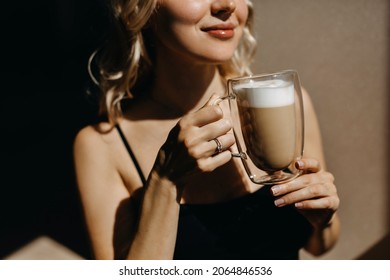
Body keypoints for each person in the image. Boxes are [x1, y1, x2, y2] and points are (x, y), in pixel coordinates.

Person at [73, 0, 340, 260]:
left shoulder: (288, 102)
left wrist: (323, 220)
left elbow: (320, 246)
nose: (226, 5)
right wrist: (165, 181)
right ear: (145, 8)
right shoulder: (103, 146)